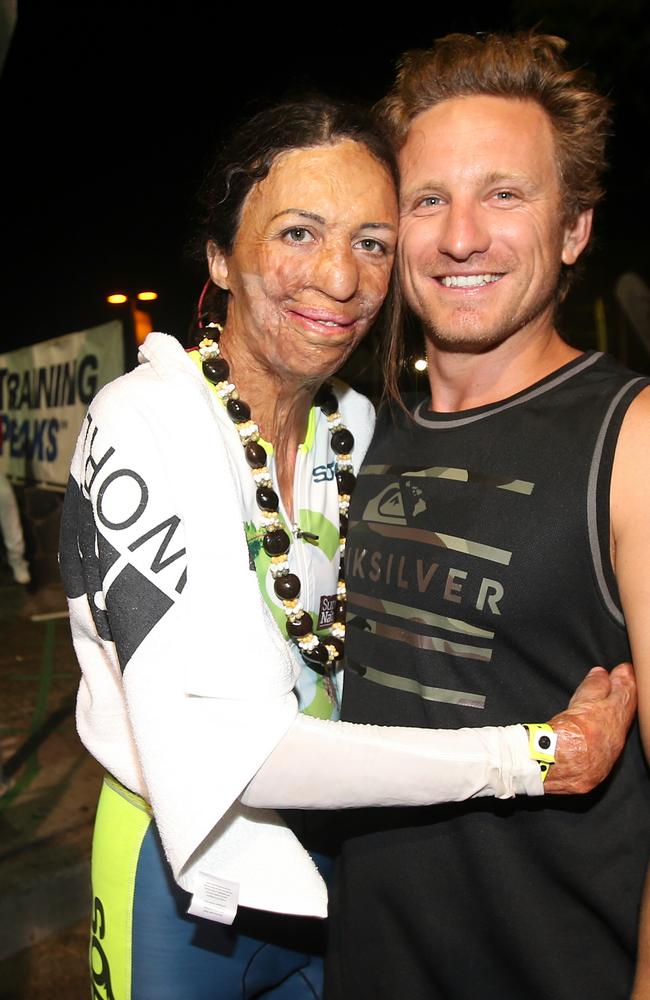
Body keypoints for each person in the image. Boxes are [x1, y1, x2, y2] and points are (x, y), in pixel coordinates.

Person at [59, 98, 635, 1000]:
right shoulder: (143, 422)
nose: (337, 277)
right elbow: (241, 750)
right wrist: (530, 756)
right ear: (219, 255)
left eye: (370, 241)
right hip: (180, 888)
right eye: (298, 231)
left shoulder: (358, 430)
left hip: (337, 881)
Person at [326, 32, 650, 1000]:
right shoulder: (356, 437)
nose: (460, 235)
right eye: (427, 199)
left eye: (503, 194)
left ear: (572, 229)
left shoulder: (628, 439)